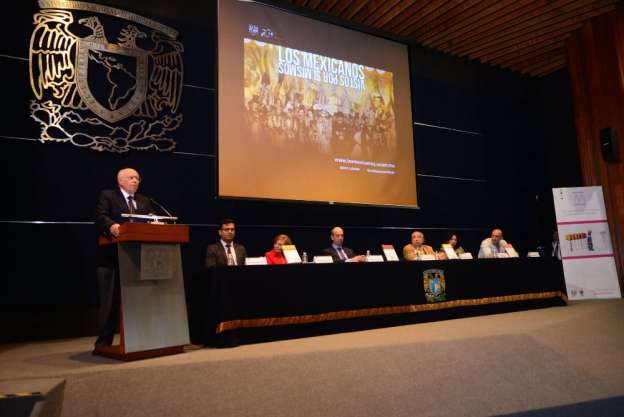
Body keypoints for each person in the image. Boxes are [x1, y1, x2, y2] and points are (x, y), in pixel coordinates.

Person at [94, 167, 155, 353]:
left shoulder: (144, 200)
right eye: (131, 178)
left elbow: (151, 220)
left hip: (137, 258)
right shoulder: (108, 196)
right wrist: (112, 226)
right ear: (120, 181)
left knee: (139, 300)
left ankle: (140, 340)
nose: (135, 181)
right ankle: (103, 344)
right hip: (112, 258)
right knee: (109, 302)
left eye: (137, 178)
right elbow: (100, 216)